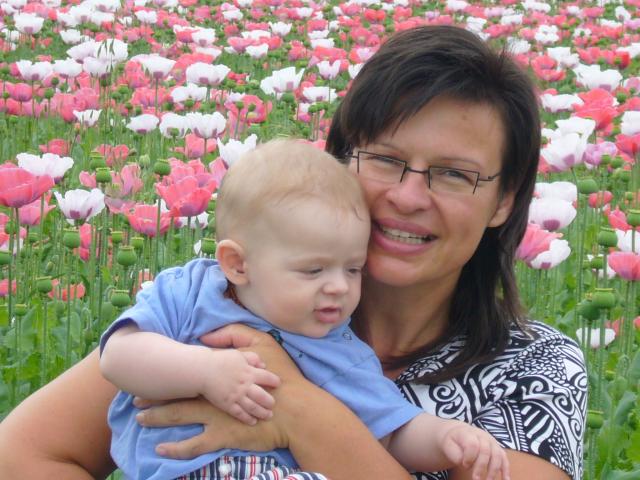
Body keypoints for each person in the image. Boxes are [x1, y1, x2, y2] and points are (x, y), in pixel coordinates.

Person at [0, 25, 587, 480]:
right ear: (340, 160)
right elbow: (21, 455)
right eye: (385, 159)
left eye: (454, 174)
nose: (409, 197)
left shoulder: (536, 371)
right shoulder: (226, 299)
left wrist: (301, 414)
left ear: (505, 200)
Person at [99, 139, 510, 480]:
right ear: (237, 264)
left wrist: (445, 438)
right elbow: (118, 355)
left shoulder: (339, 351)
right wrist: (205, 371)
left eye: (353, 269)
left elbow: (392, 431)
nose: (339, 287)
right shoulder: (191, 291)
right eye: (313, 270)